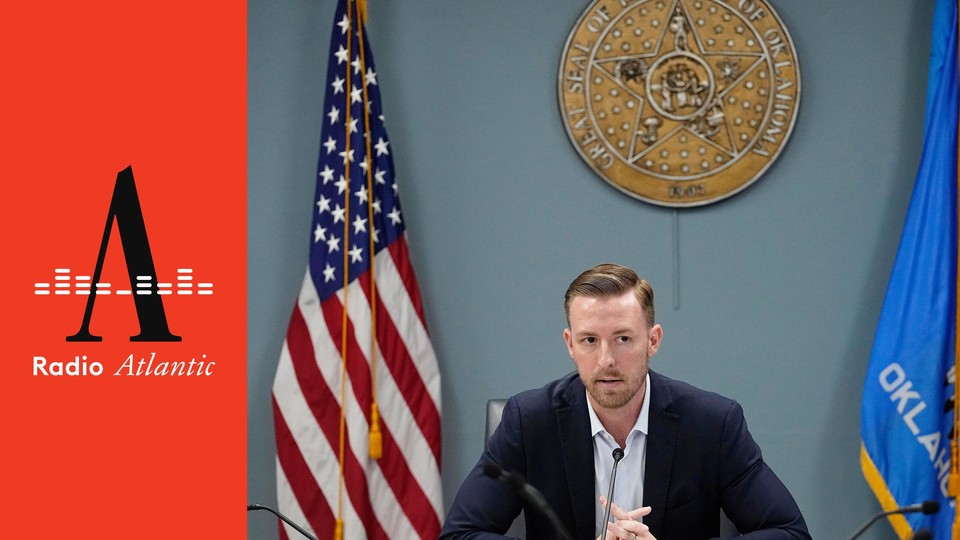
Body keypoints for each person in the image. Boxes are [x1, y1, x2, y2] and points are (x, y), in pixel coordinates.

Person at [439, 263, 810, 540]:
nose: (606, 360)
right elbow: (460, 534)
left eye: (623, 339)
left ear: (653, 341)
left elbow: (789, 532)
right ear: (570, 344)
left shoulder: (712, 423)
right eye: (589, 340)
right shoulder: (529, 421)